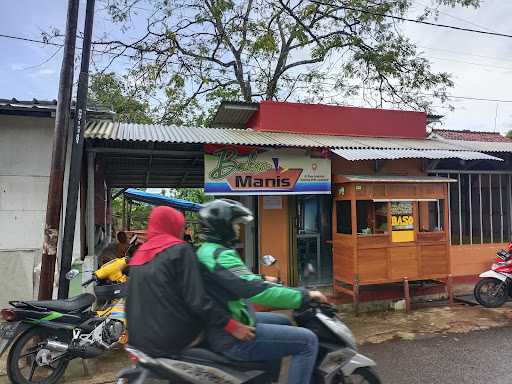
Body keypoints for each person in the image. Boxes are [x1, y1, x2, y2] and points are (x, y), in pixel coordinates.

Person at [196, 199, 328, 384]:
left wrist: (264, 279)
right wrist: (305, 296)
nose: (238, 229)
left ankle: (269, 378)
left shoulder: (208, 251)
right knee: (308, 341)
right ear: (222, 227)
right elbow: (256, 291)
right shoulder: (220, 255)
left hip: (229, 320)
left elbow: (237, 278)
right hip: (231, 335)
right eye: (235, 225)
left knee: (284, 321)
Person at [126, 205, 254, 358]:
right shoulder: (180, 250)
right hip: (174, 339)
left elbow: (130, 303)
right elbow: (198, 300)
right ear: (173, 225)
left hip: (139, 342)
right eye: (181, 226)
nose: (182, 231)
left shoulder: (138, 256)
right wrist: (232, 326)